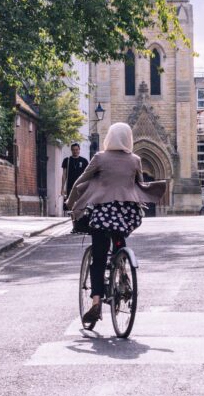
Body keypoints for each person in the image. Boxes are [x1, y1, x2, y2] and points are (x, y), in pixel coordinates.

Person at [66, 122, 167, 325]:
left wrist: (70, 203)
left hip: (103, 213)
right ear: (128, 138)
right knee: (119, 238)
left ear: (109, 138)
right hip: (126, 215)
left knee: (99, 256)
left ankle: (96, 302)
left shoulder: (100, 158)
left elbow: (80, 181)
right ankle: (122, 270)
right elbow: (139, 184)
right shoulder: (135, 160)